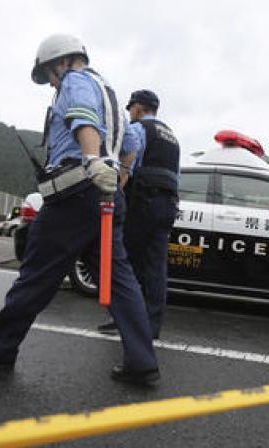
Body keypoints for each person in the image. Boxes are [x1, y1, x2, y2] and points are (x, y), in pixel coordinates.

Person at [0, 34, 160, 385]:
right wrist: (117, 175)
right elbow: (132, 145)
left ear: (61, 62)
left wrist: (91, 159)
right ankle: (142, 361)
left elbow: (83, 119)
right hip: (109, 194)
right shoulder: (110, 92)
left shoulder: (76, 81)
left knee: (37, 273)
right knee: (119, 280)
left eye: (50, 75)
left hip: (75, 191)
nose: (52, 82)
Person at [97, 90, 180, 340]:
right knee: (156, 266)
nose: (130, 111)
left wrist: (111, 194)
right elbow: (176, 175)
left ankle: (123, 318)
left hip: (142, 202)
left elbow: (128, 168)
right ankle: (151, 326)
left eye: (131, 107)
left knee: (126, 264)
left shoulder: (138, 130)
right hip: (167, 204)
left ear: (139, 108)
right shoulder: (172, 137)